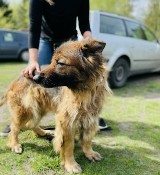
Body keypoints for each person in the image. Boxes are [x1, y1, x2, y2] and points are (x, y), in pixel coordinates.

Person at [0, 0, 111, 137]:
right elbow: (34, 27)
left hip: (70, 43)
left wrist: (88, 39)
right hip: (45, 40)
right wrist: (33, 60)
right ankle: (20, 118)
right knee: (39, 81)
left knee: (76, 81)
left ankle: (85, 113)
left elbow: (84, 23)